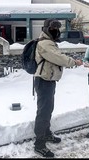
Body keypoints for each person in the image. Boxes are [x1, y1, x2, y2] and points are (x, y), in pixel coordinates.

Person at [33, 18, 82, 158]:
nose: (56, 31)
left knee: (48, 109)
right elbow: (57, 57)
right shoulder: (44, 43)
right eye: (53, 28)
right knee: (43, 111)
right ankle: (39, 144)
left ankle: (47, 134)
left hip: (48, 79)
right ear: (47, 29)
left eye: (57, 28)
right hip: (43, 80)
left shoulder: (48, 42)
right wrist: (74, 62)